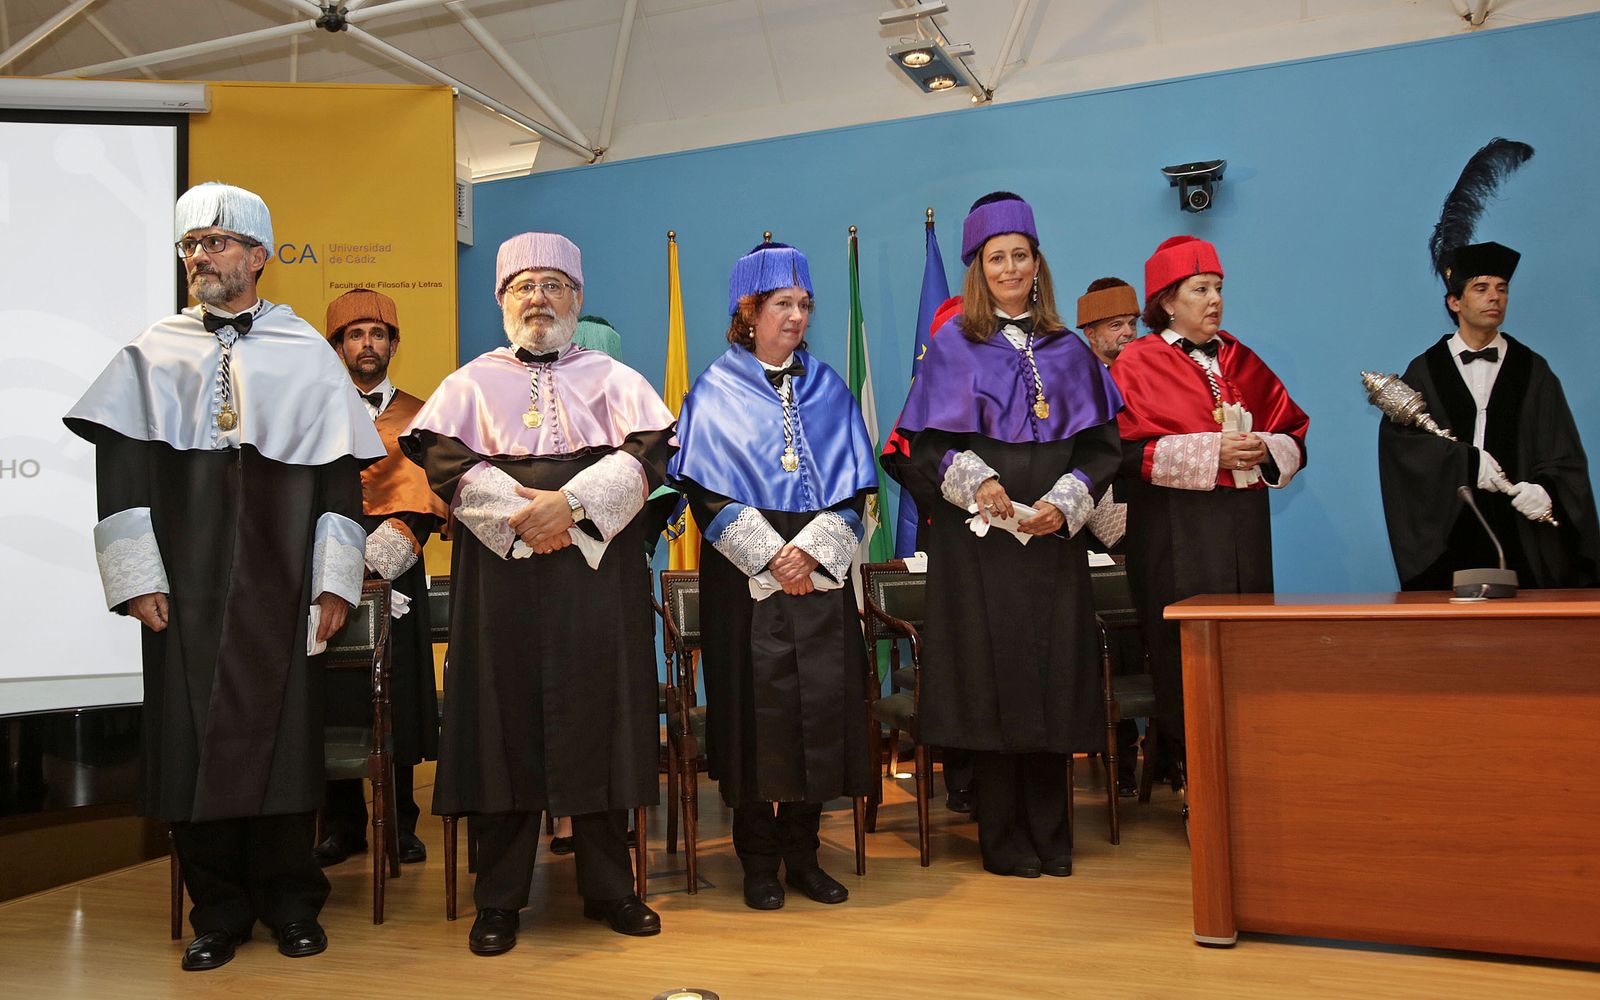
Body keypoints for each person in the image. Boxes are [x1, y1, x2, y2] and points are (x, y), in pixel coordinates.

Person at [63, 182, 384, 971]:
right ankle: (218, 911)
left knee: (284, 742)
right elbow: (121, 474)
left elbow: (338, 481)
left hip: (282, 582)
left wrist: (334, 582)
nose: (199, 257)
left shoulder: (306, 352)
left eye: (214, 242)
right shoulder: (151, 351)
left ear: (257, 254)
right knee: (190, 744)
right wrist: (135, 577)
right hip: (185, 587)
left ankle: (292, 903)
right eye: (190, 245)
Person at [401, 232, 676, 955]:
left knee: (603, 718)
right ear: (502, 299)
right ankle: (498, 900)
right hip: (503, 582)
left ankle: (612, 889)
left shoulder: (615, 378)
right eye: (524, 285)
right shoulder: (468, 384)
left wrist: (573, 507)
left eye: (554, 285)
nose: (539, 299)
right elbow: (443, 461)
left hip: (596, 581)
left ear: (576, 299)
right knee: (502, 727)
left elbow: (648, 454)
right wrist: (531, 521)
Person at [882, 192, 1123, 879]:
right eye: (997, 258)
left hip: (1052, 545)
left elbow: (1102, 448)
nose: (1011, 268)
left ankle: (1052, 832)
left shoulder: (1069, 349)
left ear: (1038, 264)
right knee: (993, 685)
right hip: (982, 548)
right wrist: (979, 483)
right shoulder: (954, 346)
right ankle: (1004, 837)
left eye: (1021, 256)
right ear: (978, 270)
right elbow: (924, 446)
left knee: (1055, 680)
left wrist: (1065, 503)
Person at [667, 241, 879, 910]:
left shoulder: (829, 387)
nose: (797, 316)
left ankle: (804, 855)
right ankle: (757, 859)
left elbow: (857, 489)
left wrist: (810, 552)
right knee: (752, 716)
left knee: (819, 709)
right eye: (783, 303)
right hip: (744, 582)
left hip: (818, 573)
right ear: (749, 311)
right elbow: (703, 492)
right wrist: (769, 555)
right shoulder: (714, 389)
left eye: (804, 304)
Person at [1109, 236, 1309, 773]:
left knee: (1247, 645)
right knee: (1184, 655)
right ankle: (1191, 772)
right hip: (1175, 534)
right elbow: (1118, 451)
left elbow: (1294, 431)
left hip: (1245, 531)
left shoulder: (1243, 359)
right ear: (1167, 301)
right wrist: (1209, 451)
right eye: (1200, 289)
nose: (1215, 299)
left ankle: (1251, 767)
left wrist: (1265, 448)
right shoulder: (1136, 362)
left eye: (1218, 288)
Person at [1378, 142, 1599, 589]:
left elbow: (1564, 453)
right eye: (1481, 288)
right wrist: (1464, 464)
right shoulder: (1425, 370)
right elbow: (1402, 451)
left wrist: (1547, 490)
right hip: (1453, 528)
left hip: (1522, 532)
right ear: (1454, 302)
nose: (1495, 297)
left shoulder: (1532, 370)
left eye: (1501, 288)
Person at [316, 288, 448, 868]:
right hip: (325, 568)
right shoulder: (313, 411)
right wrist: (338, 565)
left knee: (396, 692)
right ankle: (340, 826)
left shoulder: (422, 416)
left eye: (377, 334)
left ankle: (401, 823)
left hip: (400, 565)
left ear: (394, 344)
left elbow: (429, 498)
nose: (366, 344)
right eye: (355, 335)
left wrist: (376, 560)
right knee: (333, 697)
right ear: (338, 346)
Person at [1074, 276, 1142, 794]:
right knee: (1110, 654)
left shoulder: (1148, 375)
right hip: (1097, 533)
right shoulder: (1076, 382)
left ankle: (1163, 759)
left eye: (1133, 324)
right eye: (1116, 325)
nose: (1127, 334)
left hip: (1146, 525)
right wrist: (1116, 527)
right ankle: (1119, 755)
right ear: (1091, 333)